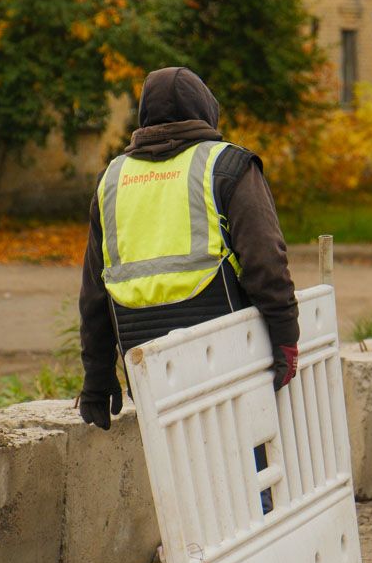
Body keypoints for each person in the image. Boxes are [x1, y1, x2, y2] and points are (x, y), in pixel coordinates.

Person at [78, 66, 300, 429]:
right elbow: (266, 264)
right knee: (248, 475)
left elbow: (93, 292)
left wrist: (97, 377)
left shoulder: (112, 179)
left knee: (178, 477)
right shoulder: (228, 166)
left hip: (151, 376)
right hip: (231, 364)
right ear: (205, 109)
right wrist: (286, 338)